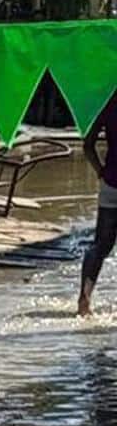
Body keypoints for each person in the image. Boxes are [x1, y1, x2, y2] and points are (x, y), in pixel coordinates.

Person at [80, 98, 117, 316]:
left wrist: (100, 171)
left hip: (111, 183)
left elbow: (87, 146)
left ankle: (83, 300)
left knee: (100, 246)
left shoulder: (107, 104)